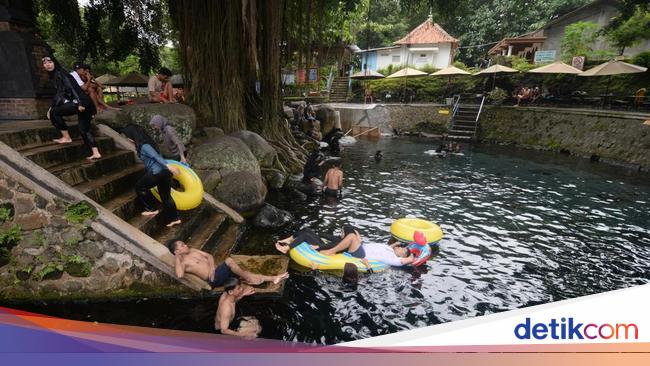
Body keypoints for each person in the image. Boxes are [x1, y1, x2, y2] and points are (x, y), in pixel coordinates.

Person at [43, 55, 101, 160]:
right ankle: (96, 152)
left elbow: (71, 88)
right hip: (86, 102)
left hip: (80, 102)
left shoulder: (60, 73)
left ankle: (66, 137)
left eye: (50, 62)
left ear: (55, 63)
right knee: (84, 129)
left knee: (54, 113)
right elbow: (61, 93)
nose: (47, 65)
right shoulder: (57, 74)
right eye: (45, 63)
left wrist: (79, 103)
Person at [122, 124, 181, 227]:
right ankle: (175, 218)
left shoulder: (144, 146)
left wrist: (168, 166)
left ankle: (151, 209)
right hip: (165, 172)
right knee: (166, 197)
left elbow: (156, 157)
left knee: (140, 187)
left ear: (133, 135)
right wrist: (167, 168)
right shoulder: (149, 143)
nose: (127, 138)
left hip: (157, 172)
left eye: (128, 135)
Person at [169, 239, 289, 288]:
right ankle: (248, 278)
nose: (186, 245)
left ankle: (273, 278)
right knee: (230, 261)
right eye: (182, 246)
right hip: (214, 279)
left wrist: (211, 267)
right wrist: (177, 258)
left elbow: (209, 256)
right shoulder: (182, 262)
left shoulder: (193, 250)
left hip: (217, 271)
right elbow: (179, 275)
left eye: (184, 243)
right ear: (177, 251)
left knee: (244, 272)